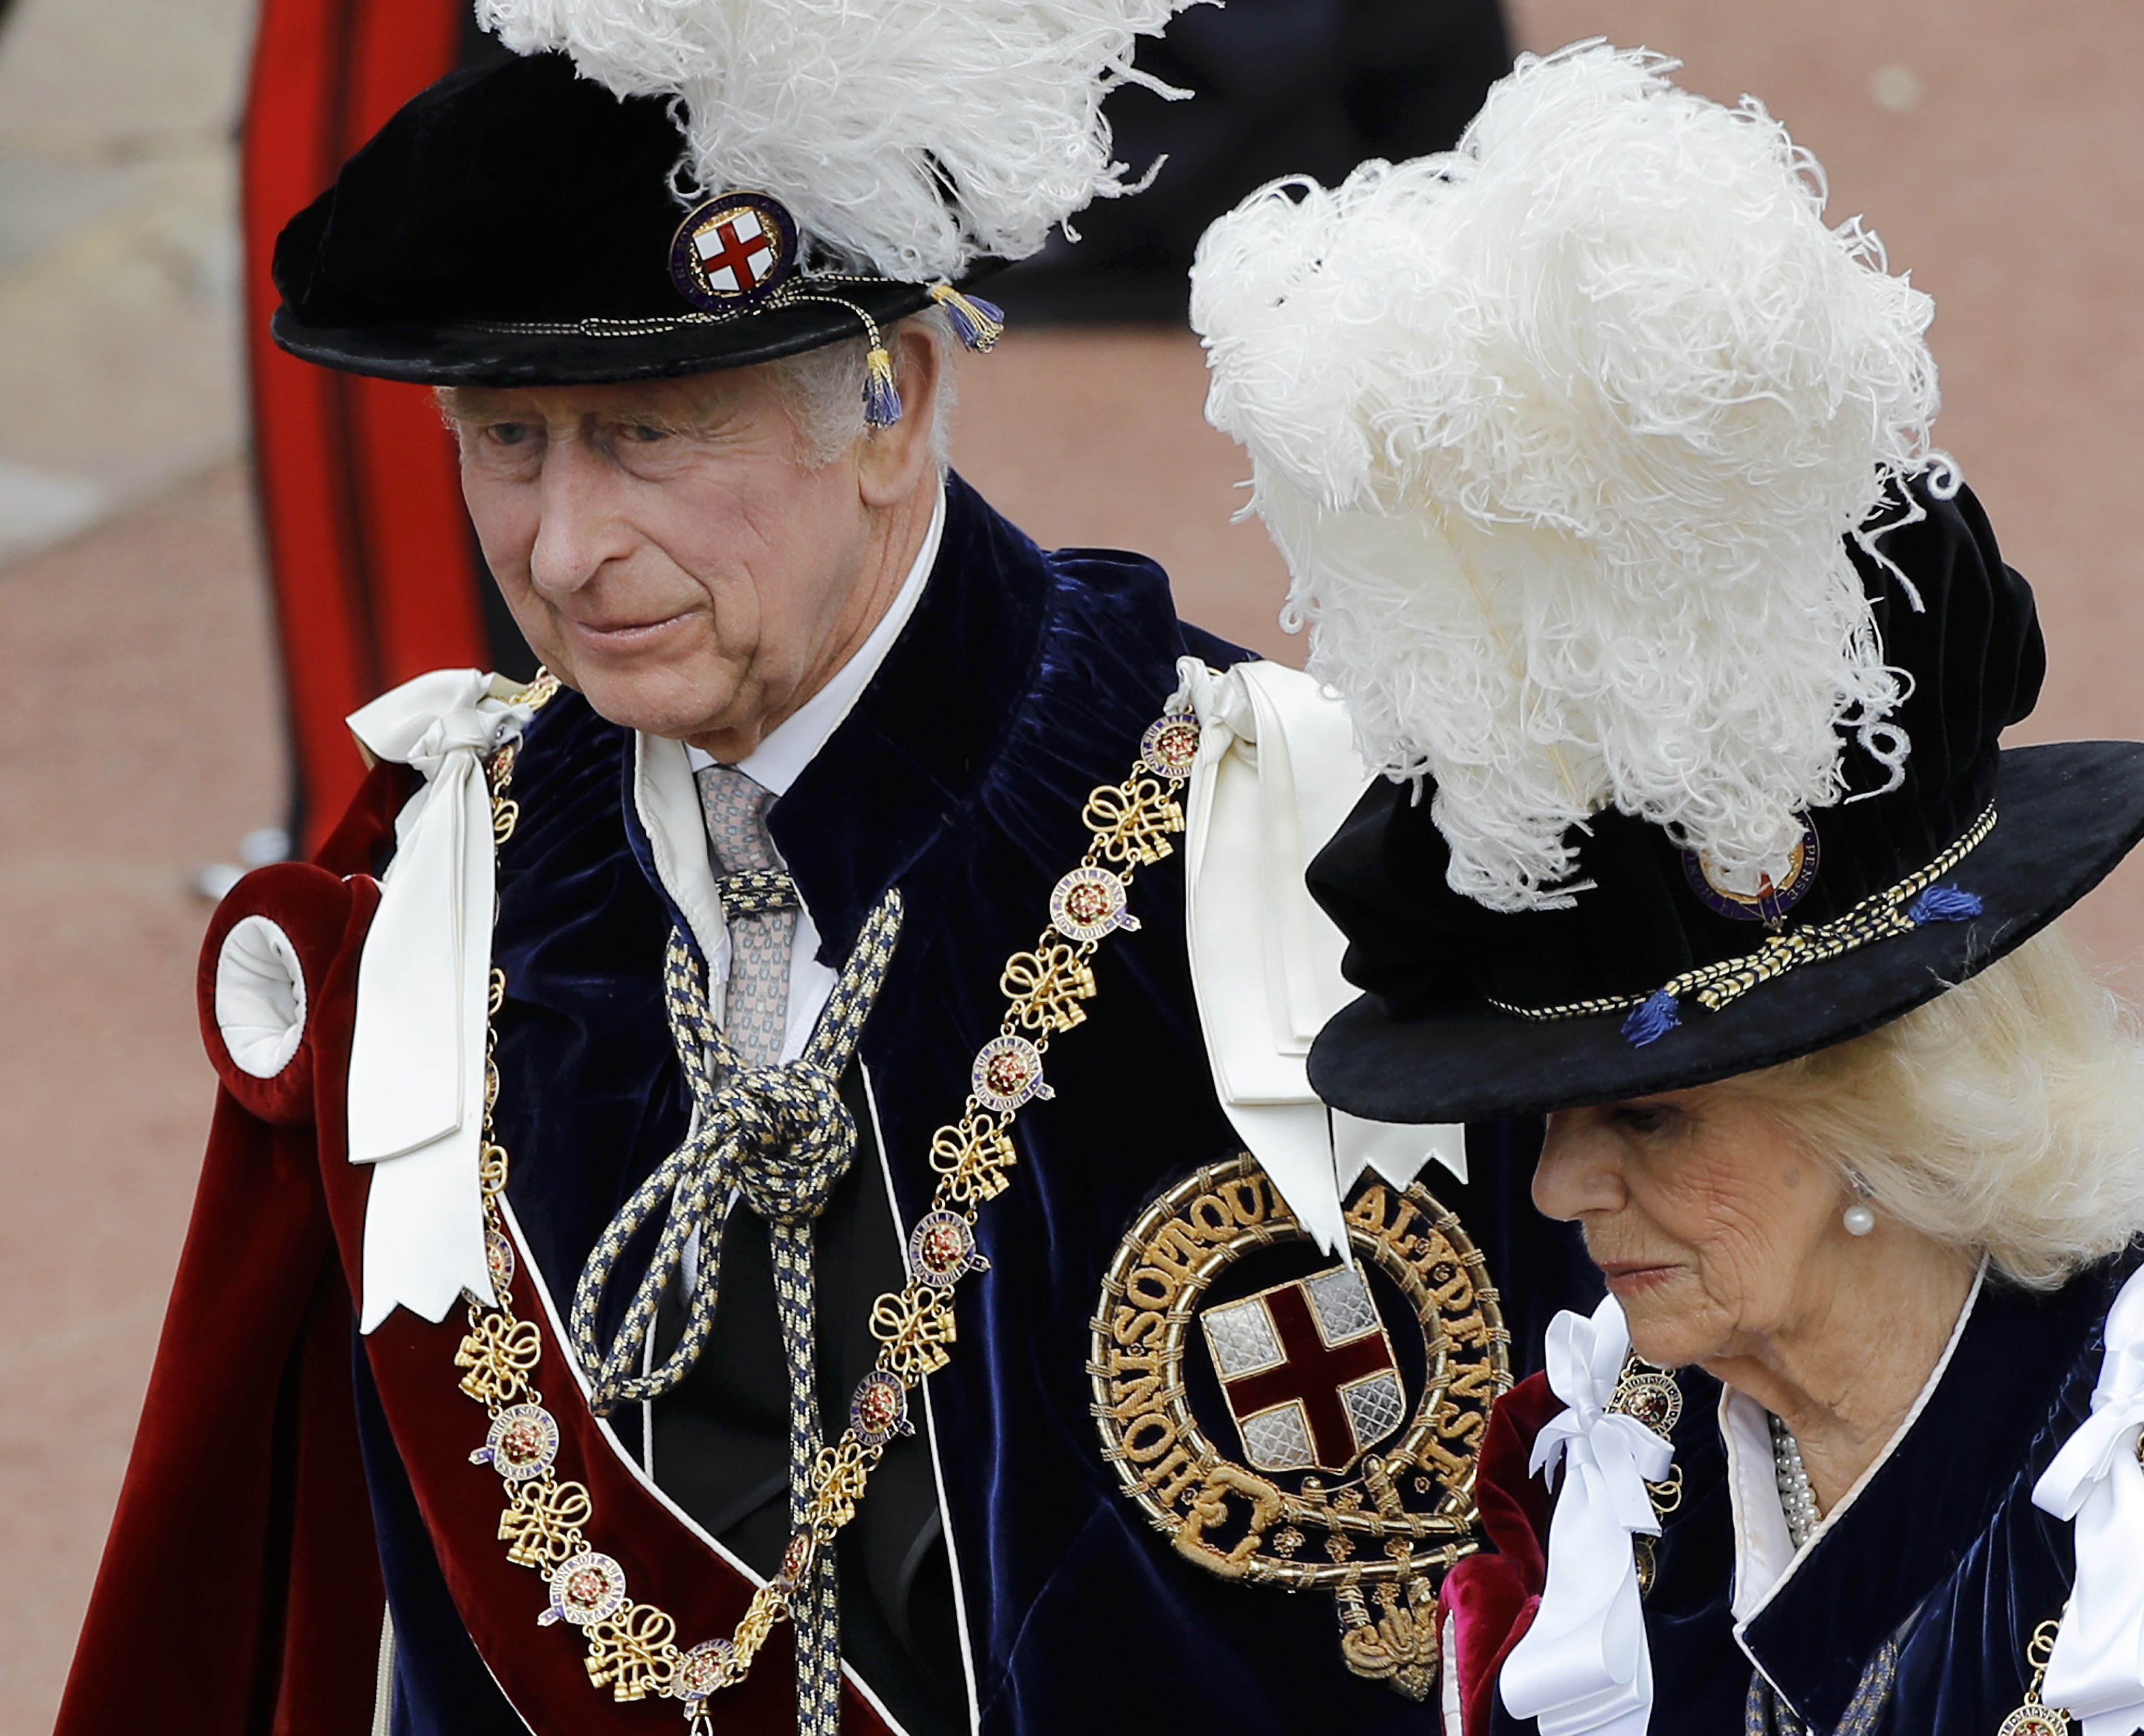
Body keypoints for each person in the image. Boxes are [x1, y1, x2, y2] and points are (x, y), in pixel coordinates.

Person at [54, 8, 1592, 1734]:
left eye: (650, 433)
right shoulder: (441, 890)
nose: (564, 549)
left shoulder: (1291, 845)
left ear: (893, 399)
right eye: (508, 439)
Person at [1191, 42, 2144, 1736]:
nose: (1562, 1181)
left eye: (1650, 1114)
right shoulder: (1625, 1484)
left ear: (1890, 1105)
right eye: (1560, 1109)